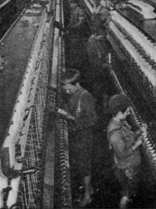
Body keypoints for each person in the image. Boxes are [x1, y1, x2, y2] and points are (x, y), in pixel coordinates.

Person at [57, 69, 98, 208]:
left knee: (84, 165)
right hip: (77, 134)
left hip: (84, 137)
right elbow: (70, 106)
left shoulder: (85, 97)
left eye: (69, 89)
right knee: (81, 164)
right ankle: (88, 187)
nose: (67, 92)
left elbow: (92, 120)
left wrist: (72, 119)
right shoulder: (75, 94)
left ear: (77, 84)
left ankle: (87, 196)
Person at [106, 94, 147, 209]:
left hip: (131, 165)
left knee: (131, 191)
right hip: (127, 169)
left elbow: (128, 137)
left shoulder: (120, 122)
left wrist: (139, 131)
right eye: (127, 111)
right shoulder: (115, 133)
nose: (129, 112)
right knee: (126, 195)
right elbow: (122, 154)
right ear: (119, 112)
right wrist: (137, 144)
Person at [87, 0, 112, 113]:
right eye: (93, 0)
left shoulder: (104, 11)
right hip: (97, 62)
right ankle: (101, 102)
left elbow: (106, 26)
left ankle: (103, 103)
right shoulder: (92, 40)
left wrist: (101, 35)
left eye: (97, 0)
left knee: (102, 80)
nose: (95, 1)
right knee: (99, 80)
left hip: (99, 60)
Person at [65, 0, 89, 69]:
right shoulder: (73, 11)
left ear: (75, 4)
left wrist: (72, 27)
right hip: (75, 31)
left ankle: (79, 64)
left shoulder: (80, 11)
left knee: (78, 48)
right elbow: (72, 21)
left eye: (71, 4)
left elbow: (81, 23)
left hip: (80, 32)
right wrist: (67, 27)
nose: (70, 5)